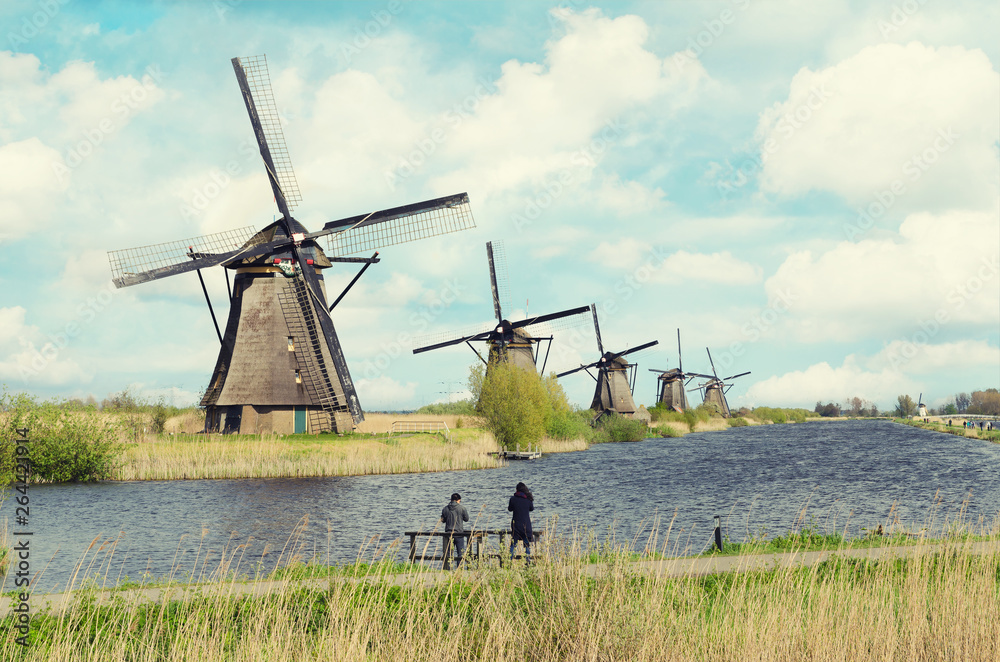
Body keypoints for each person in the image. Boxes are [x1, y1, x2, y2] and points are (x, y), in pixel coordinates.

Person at [440, 492, 469, 569]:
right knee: (460, 554)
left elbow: (442, 520)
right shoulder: (462, 508)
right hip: (459, 534)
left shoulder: (445, 509)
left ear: (451, 500)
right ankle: (459, 569)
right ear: (458, 500)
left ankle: (448, 569)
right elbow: (466, 519)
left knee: (449, 553)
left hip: (448, 534)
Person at [508, 482, 534, 564]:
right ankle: (528, 562)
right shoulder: (528, 499)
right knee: (526, 545)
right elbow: (531, 508)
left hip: (516, 525)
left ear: (517, 490)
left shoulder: (513, 499)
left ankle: (509, 562)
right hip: (526, 525)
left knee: (513, 544)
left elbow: (510, 509)